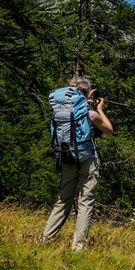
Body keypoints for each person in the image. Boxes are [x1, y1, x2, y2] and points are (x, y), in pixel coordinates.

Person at [41, 77, 113, 252]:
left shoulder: (60, 111)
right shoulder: (88, 113)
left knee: (63, 200)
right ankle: (79, 246)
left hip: (67, 157)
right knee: (85, 202)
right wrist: (99, 109)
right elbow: (109, 129)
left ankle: (45, 239)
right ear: (85, 93)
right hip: (87, 158)